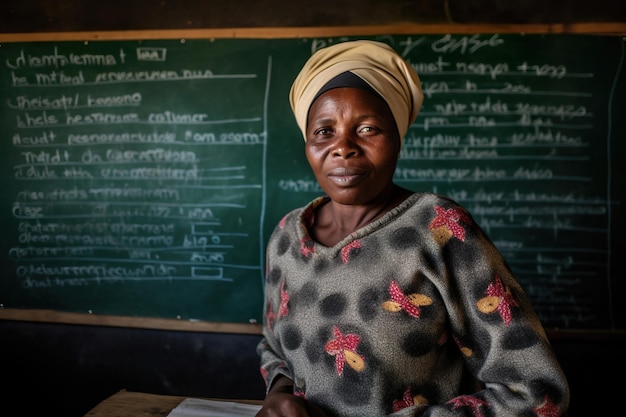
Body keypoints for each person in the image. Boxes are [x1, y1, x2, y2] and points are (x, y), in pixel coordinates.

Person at [255, 40, 570, 417]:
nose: (343, 148)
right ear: (307, 143)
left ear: (397, 139)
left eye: (368, 128)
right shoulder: (288, 236)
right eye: (324, 131)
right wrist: (280, 392)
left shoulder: (440, 229)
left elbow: (536, 392)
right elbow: (273, 348)